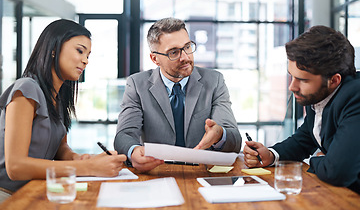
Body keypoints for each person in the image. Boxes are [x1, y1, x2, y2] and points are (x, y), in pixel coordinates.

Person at [0, 19, 127, 203]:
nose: (85, 60)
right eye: (80, 50)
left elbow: (60, 148)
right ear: (54, 49)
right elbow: (15, 167)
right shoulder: (26, 89)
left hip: (36, 191)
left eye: (88, 55)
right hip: (8, 196)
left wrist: (79, 158)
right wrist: (90, 167)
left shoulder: (57, 98)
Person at [243, 25, 360, 194]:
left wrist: (316, 160)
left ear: (334, 80)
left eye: (302, 80)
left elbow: (337, 172)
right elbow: (306, 137)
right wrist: (271, 154)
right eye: (291, 76)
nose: (292, 87)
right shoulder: (322, 94)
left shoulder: (355, 97)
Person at [114, 17, 241, 171]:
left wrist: (220, 135)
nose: (186, 57)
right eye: (174, 52)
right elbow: (124, 135)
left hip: (202, 173)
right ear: (155, 59)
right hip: (157, 173)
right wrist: (133, 151)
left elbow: (235, 140)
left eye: (187, 47)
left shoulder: (214, 81)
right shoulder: (136, 84)